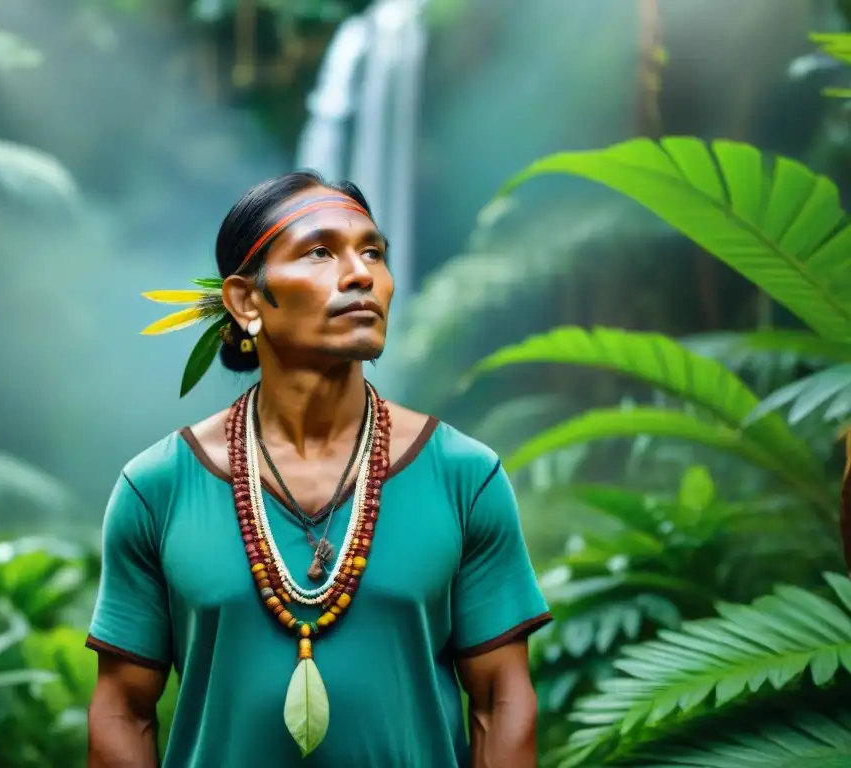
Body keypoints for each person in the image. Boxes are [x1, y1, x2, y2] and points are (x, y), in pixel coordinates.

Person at [85, 171, 552, 768]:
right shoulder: (157, 489)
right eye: (319, 252)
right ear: (246, 301)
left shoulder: (464, 477)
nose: (361, 274)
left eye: (373, 253)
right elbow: (122, 710)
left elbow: (500, 701)